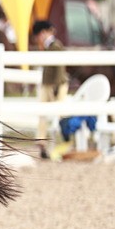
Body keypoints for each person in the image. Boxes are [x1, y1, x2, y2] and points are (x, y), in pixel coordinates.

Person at [32, 19, 67, 160]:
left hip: (55, 84)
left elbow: (59, 68)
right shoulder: (48, 47)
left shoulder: (55, 46)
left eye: (38, 35)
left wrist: (56, 86)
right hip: (47, 84)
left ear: (43, 33)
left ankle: (63, 140)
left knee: (59, 113)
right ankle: (41, 141)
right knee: (42, 112)